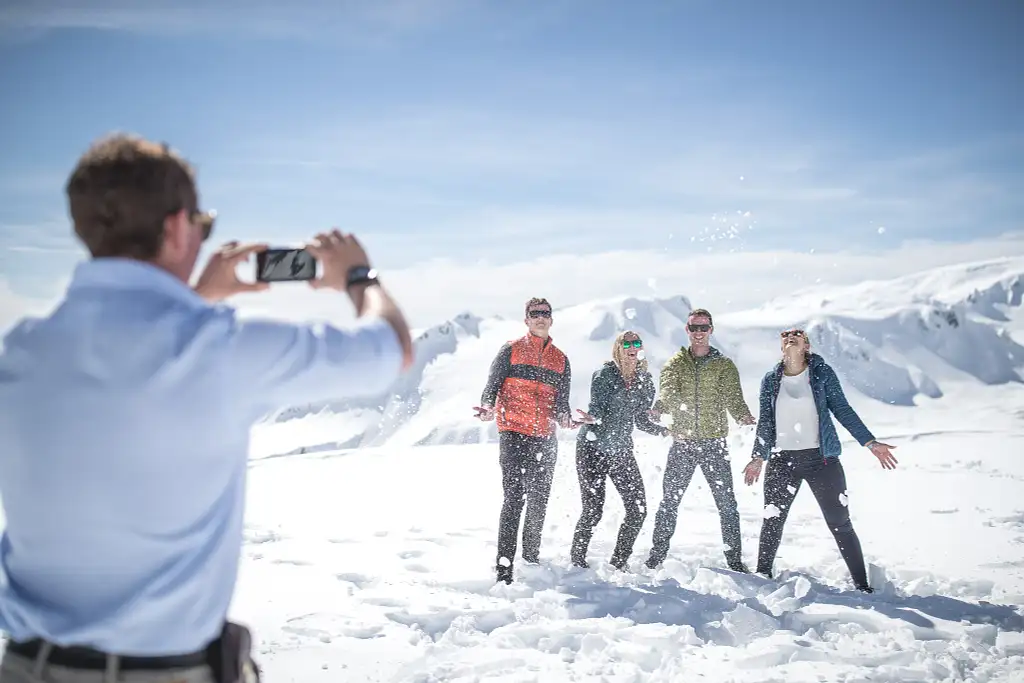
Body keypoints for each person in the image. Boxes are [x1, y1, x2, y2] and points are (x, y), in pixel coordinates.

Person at [0, 133, 414, 683]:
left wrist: (197, 298)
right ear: (175, 227)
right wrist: (359, 275)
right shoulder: (221, 349)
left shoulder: (21, 349)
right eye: (202, 224)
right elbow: (392, 349)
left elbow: (137, 367)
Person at [742, 328, 897, 593]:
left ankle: (862, 585)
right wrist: (758, 457)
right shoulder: (770, 380)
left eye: (797, 334)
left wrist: (869, 442)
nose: (790, 336)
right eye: (785, 335)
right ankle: (763, 577)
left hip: (821, 460)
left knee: (840, 522)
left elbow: (842, 409)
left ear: (806, 345)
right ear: (781, 346)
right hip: (782, 462)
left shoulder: (822, 374)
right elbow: (766, 422)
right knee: (772, 519)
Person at [473, 297, 580, 584]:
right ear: (526, 319)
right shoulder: (511, 350)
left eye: (544, 313)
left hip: (545, 438)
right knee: (514, 499)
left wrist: (567, 419)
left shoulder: (561, 360)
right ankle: (505, 570)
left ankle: (531, 560)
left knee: (539, 500)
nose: (540, 318)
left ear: (551, 319)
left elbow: (561, 406)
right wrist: (487, 407)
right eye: (535, 314)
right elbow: (491, 387)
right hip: (513, 433)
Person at [645, 308, 756, 573]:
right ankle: (656, 558)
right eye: (694, 328)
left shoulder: (723, 365)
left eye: (703, 328)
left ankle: (734, 561)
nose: (698, 333)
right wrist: (659, 409)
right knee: (669, 501)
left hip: (714, 444)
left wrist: (744, 417)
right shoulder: (675, 364)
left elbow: (734, 399)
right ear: (687, 330)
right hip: (682, 443)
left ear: (711, 330)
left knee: (727, 504)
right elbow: (668, 394)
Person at [570, 330, 669, 571]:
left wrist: (665, 430)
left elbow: (642, 421)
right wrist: (592, 417)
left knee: (638, 509)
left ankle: (618, 562)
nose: (632, 347)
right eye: (627, 343)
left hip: (621, 451)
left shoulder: (645, 381)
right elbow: (598, 410)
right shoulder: (604, 374)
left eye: (636, 343)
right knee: (593, 509)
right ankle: (577, 562)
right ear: (618, 348)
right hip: (592, 448)